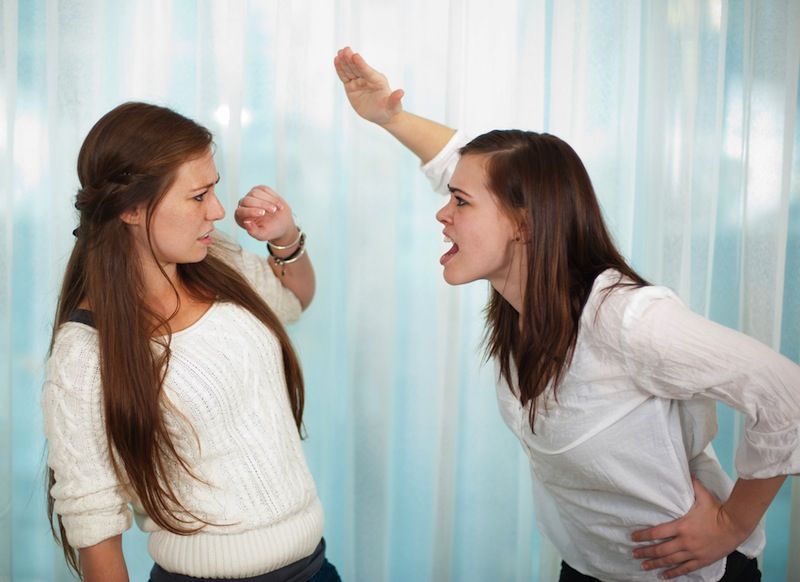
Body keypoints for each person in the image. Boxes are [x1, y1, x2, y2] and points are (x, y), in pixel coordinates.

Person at [334, 47, 800, 582]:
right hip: (586, 569)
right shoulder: (526, 307)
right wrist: (389, 117)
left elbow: (788, 396)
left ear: (525, 224)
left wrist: (730, 526)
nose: (443, 211)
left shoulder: (624, 318)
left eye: (459, 202)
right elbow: (471, 169)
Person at [42, 102, 340, 582]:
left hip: (315, 569)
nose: (218, 211)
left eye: (214, 189)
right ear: (133, 209)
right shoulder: (84, 355)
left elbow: (292, 302)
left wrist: (285, 239)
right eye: (199, 195)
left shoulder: (213, 257)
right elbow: (95, 533)